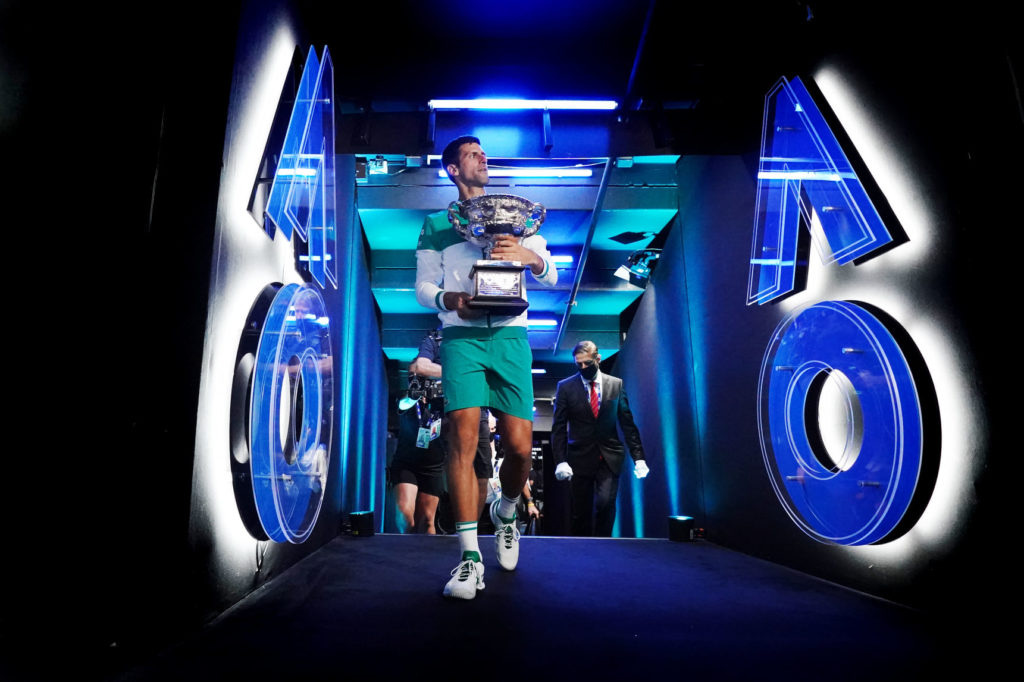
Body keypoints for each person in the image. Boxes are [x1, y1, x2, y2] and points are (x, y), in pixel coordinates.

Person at [416, 135, 557, 599]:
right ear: (453, 169)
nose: (483, 157)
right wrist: (449, 298)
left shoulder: (517, 215)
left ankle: (506, 513)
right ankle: (469, 558)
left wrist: (528, 257)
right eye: (472, 154)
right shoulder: (437, 224)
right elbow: (423, 288)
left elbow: (551, 273)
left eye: (483, 153)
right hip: (461, 338)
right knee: (462, 438)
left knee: (519, 448)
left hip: (512, 339)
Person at [551, 340, 650, 537]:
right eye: (578, 364)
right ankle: (582, 549)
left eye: (587, 363)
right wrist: (560, 460)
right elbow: (559, 428)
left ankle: (604, 545)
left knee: (606, 504)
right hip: (579, 458)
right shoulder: (566, 387)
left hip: (609, 457)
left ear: (598, 358)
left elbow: (627, 423)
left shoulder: (615, 385)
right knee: (580, 512)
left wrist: (639, 458)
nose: (583, 367)